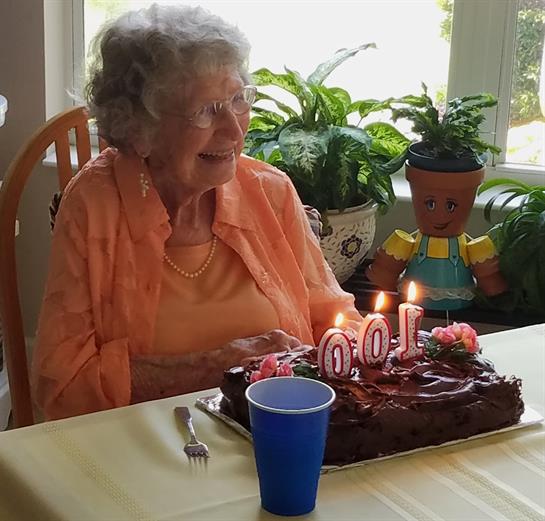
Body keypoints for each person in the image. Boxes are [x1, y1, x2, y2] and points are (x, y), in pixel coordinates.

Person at [32, 4, 362, 421]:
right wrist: (215, 367)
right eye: (206, 109)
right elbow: (61, 386)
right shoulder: (94, 207)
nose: (234, 129)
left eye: (239, 99)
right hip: (145, 453)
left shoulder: (269, 191)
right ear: (140, 129)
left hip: (274, 432)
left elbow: (335, 319)